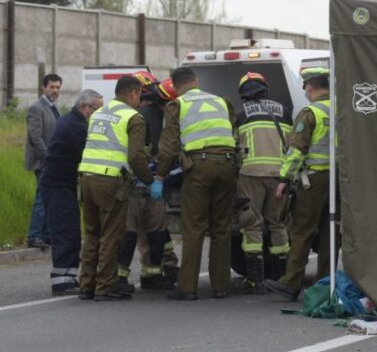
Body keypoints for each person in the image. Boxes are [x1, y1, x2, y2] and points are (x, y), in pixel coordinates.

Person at [154, 67, 237, 300]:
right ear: (196, 81)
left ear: (175, 85)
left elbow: (169, 146)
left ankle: (187, 288)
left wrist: (160, 176)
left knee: (194, 227)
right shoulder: (222, 101)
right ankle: (221, 287)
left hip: (199, 167)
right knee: (222, 228)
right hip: (228, 164)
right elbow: (233, 130)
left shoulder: (177, 105)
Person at [78, 76, 155, 301]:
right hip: (110, 182)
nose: (140, 99)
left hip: (86, 178)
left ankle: (86, 285)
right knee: (111, 235)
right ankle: (105, 287)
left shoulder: (98, 113)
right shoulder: (133, 117)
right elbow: (136, 156)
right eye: (139, 94)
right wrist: (151, 180)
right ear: (132, 93)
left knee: (92, 234)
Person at [265, 67, 339, 301]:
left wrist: (285, 178)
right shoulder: (342, 109)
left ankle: (291, 282)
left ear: (309, 87)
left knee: (302, 231)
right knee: (331, 233)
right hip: (338, 179)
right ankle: (326, 284)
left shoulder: (310, 113)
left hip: (314, 180)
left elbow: (297, 151)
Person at [116, 73, 177, 293]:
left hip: (149, 184)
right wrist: (153, 180)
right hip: (134, 184)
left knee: (156, 231)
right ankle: (119, 278)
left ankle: (152, 274)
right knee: (129, 232)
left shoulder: (152, 115)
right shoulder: (140, 117)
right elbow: (137, 155)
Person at [39, 89, 103, 295]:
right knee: (66, 231)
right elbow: (89, 153)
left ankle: (66, 277)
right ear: (86, 107)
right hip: (57, 185)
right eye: (98, 109)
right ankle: (62, 281)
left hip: (59, 183)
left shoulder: (70, 120)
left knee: (67, 229)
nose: (98, 114)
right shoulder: (76, 126)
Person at [235, 72, 292, 294]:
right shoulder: (284, 112)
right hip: (280, 175)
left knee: (252, 224)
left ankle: (255, 281)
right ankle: (281, 277)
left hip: (250, 174)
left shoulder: (241, 115)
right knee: (278, 224)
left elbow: (234, 145)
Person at [24, 73, 62, 249]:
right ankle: (34, 236)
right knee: (42, 198)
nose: (55, 90)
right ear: (43, 87)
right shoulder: (36, 108)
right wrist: (48, 158)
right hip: (43, 162)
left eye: (57, 87)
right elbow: (36, 137)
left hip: (53, 161)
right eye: (52, 87)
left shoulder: (54, 107)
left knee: (49, 198)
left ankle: (46, 235)